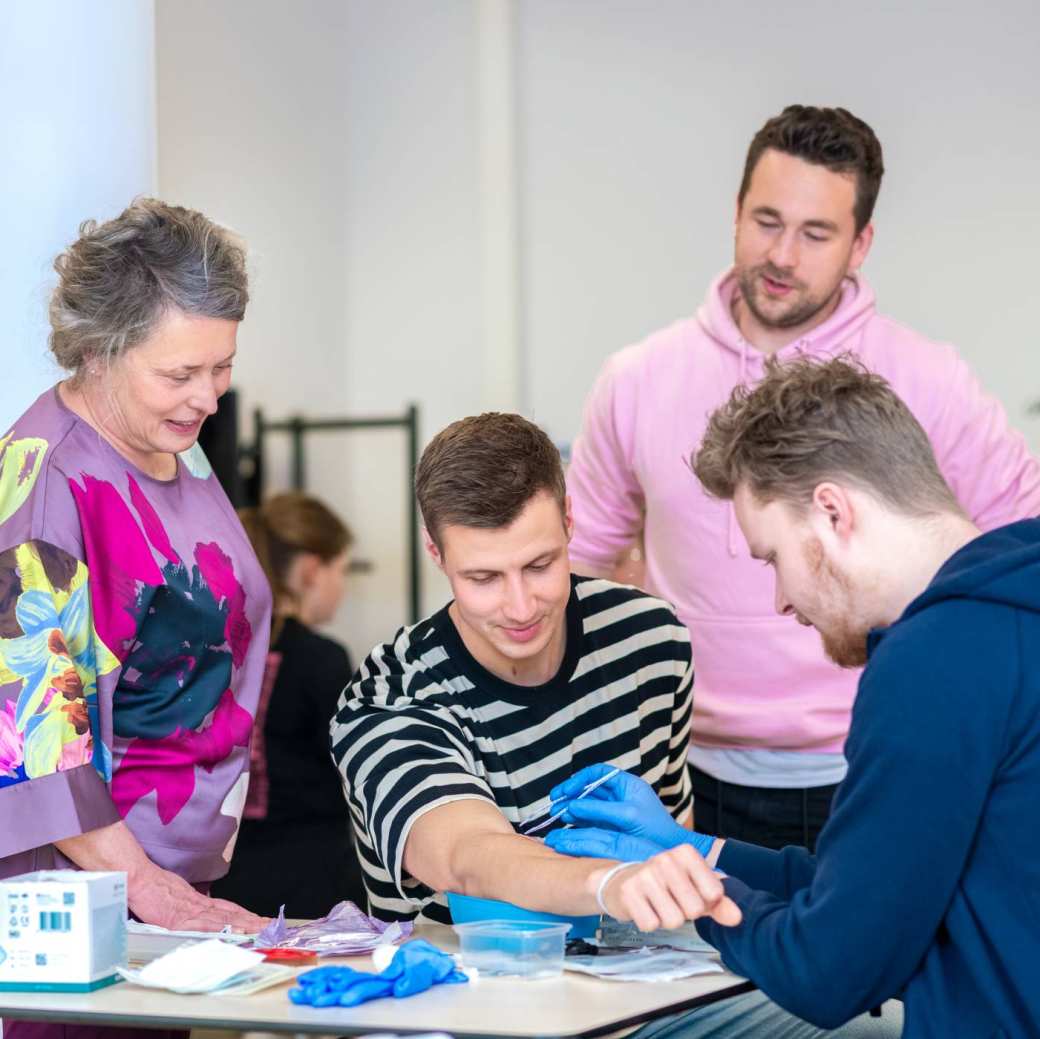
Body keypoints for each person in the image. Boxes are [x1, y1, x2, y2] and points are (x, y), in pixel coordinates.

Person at [566, 104, 1040, 851]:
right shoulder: (635, 379)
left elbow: (1021, 547)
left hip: (880, 759)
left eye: (816, 233)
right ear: (734, 213)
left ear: (861, 244)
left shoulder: (930, 378)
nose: (782, 254)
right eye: (766, 220)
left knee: (856, 963)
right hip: (688, 772)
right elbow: (579, 568)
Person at [331, 412, 894, 1039]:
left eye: (540, 564)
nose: (521, 606)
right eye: (484, 578)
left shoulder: (649, 640)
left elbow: (671, 843)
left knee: (886, 1024)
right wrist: (611, 882)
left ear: (571, 522)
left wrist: (664, 878)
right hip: (469, 1013)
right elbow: (467, 857)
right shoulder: (389, 695)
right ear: (436, 553)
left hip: (640, 998)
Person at [549, 356, 1038, 1037]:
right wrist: (697, 849)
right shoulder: (1014, 609)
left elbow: (830, 966)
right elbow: (874, 884)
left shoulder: (934, 659)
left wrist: (691, 896)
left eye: (772, 556)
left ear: (833, 511)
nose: (780, 598)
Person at [0, 199, 271, 1026]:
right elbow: (35, 733)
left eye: (220, 367)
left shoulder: (167, 441)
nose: (209, 397)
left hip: (160, 891)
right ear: (99, 351)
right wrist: (144, 884)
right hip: (80, 897)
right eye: (179, 373)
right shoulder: (50, 481)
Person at [212, 492, 366, 917]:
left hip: (222, 884)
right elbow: (354, 773)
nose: (343, 586)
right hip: (316, 886)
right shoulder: (321, 658)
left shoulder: (215, 654)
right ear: (312, 570)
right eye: (342, 569)